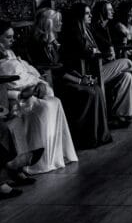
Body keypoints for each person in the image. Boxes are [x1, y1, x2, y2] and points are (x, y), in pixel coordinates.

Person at [0, 20, 78, 174]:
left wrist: (39, 83)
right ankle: (39, 161)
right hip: (13, 98)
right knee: (45, 107)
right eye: (8, 37)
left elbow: (28, 71)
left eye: (13, 37)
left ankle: (56, 156)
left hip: (29, 90)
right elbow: (4, 85)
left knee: (55, 102)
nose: (12, 40)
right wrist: (21, 94)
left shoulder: (10, 53)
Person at [62, 3, 132, 124]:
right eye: (87, 14)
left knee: (126, 76)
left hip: (99, 67)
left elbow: (105, 41)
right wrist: (97, 52)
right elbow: (85, 53)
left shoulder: (88, 29)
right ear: (79, 16)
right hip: (89, 74)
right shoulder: (73, 33)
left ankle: (121, 115)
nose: (91, 16)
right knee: (127, 62)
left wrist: (110, 48)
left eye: (90, 13)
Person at [28, 9, 111, 147]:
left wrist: (82, 77)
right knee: (88, 92)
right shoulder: (37, 44)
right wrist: (79, 81)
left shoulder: (57, 42)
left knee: (96, 88)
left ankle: (99, 135)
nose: (61, 23)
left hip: (65, 77)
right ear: (49, 24)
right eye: (58, 21)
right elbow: (55, 70)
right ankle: (82, 138)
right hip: (53, 82)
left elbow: (66, 65)